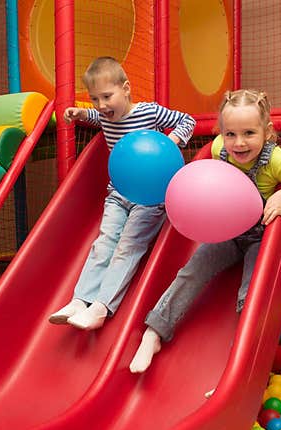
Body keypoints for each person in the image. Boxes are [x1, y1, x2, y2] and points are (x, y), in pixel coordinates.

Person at [129, 89, 281, 374]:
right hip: (227, 233)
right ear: (222, 132)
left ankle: (244, 356)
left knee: (250, 291)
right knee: (192, 270)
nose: (238, 143)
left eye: (248, 133)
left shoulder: (276, 160)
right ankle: (154, 332)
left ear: (266, 132)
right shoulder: (219, 149)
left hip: (259, 234)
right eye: (230, 134)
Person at [48, 56, 196, 330]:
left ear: (125, 88)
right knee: (103, 244)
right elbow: (99, 118)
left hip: (150, 198)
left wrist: (170, 141)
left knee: (127, 246)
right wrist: (82, 114)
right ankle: (81, 300)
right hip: (117, 193)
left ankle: (102, 307)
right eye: (94, 99)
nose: (102, 105)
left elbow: (187, 120)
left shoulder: (149, 112)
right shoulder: (105, 116)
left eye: (107, 96)